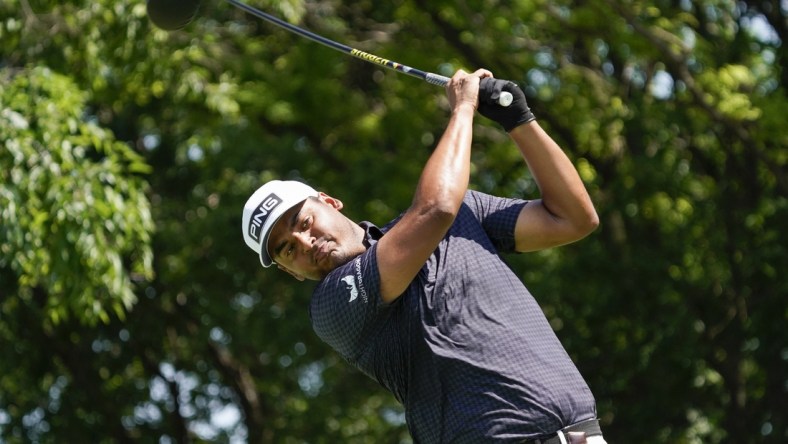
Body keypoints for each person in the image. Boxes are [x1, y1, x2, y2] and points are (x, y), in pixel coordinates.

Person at [241, 69, 605, 443]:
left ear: (329, 201)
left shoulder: (467, 210)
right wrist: (464, 108)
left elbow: (573, 219)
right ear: (290, 272)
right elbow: (435, 208)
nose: (303, 241)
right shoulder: (333, 307)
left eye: (303, 220)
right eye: (286, 249)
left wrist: (517, 121)